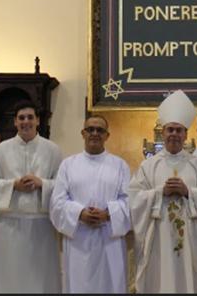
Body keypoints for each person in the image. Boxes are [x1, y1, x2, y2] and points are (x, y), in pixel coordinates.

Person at [128, 89, 197, 293]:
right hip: (159, 240)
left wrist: (189, 192)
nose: (174, 134)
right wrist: (160, 192)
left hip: (191, 241)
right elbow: (135, 200)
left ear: (186, 134)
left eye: (179, 130)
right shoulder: (149, 166)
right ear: (163, 132)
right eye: (170, 130)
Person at [0, 101, 62, 293]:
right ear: (15, 122)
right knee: (7, 280)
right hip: (8, 228)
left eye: (30, 117)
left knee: (40, 280)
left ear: (38, 121)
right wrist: (13, 185)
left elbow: (63, 187)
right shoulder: (1, 150)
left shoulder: (53, 150)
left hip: (41, 228)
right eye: (21, 118)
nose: (26, 122)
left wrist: (42, 183)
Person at [50, 116, 131, 293]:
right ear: (83, 133)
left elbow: (129, 202)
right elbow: (57, 203)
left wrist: (108, 214)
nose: (95, 133)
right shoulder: (68, 165)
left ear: (107, 135)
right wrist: (79, 213)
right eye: (90, 129)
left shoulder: (120, 166)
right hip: (79, 240)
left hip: (109, 241)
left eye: (100, 130)